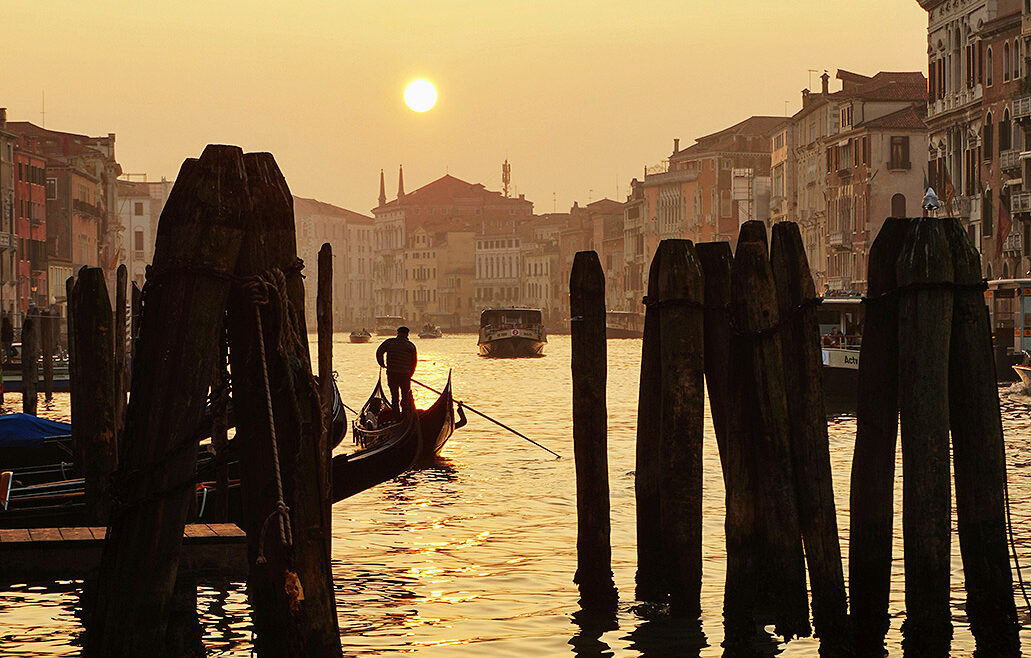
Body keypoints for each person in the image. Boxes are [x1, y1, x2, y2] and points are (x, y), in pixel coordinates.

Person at [376, 326, 417, 413]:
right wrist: (410, 374)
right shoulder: (411, 346)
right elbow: (414, 363)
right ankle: (405, 413)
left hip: (392, 373)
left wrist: (382, 364)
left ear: (398, 333)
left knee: (394, 396)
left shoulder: (389, 342)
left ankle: (396, 414)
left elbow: (379, 352)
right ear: (407, 335)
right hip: (405, 375)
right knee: (405, 396)